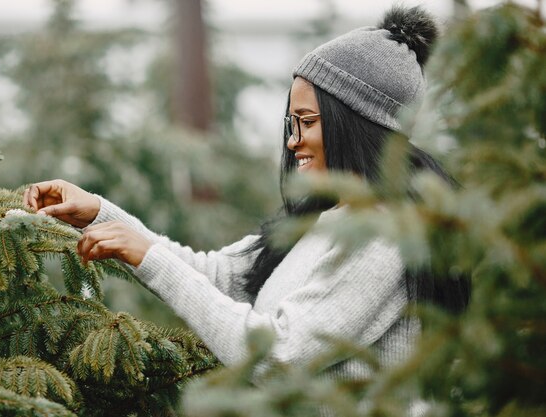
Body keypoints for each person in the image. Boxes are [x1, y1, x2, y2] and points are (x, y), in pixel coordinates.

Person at [23, 6, 470, 384]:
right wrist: (99, 214)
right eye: (290, 124)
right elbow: (219, 276)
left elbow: (278, 356)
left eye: (307, 121)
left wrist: (147, 256)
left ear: (354, 123)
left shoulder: (386, 236)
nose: (293, 141)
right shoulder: (322, 220)